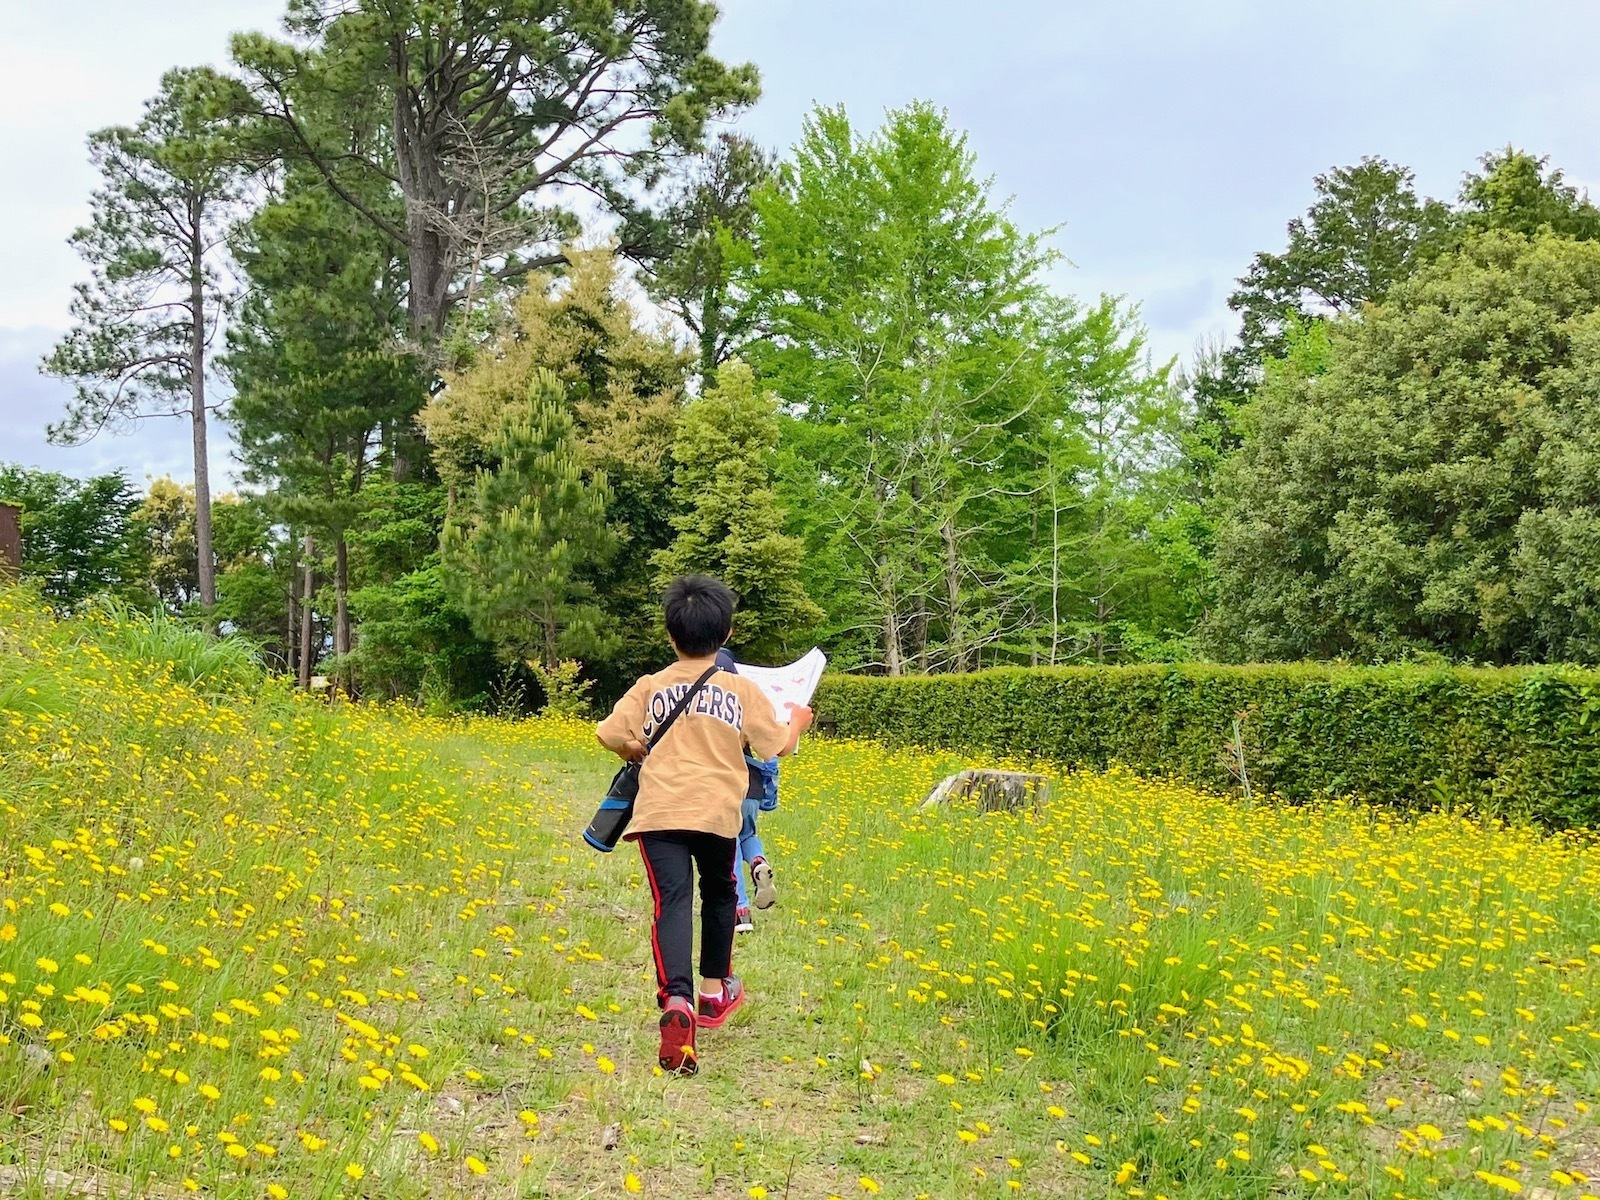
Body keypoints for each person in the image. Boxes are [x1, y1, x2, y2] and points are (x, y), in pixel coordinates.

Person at [596, 576, 812, 1075]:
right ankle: (714, 992)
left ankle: (678, 1001)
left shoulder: (650, 686)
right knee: (719, 893)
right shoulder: (740, 689)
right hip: (717, 815)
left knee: (671, 902)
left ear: (670, 635)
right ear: (727, 632)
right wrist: (798, 721)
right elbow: (777, 747)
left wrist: (633, 747)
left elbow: (608, 733)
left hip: (659, 814)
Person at [714, 647, 782, 931]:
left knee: (727, 843)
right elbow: (773, 748)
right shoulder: (744, 703)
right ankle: (757, 862)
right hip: (751, 786)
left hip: (725, 786)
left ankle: (740, 911)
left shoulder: (706, 707)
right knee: (748, 834)